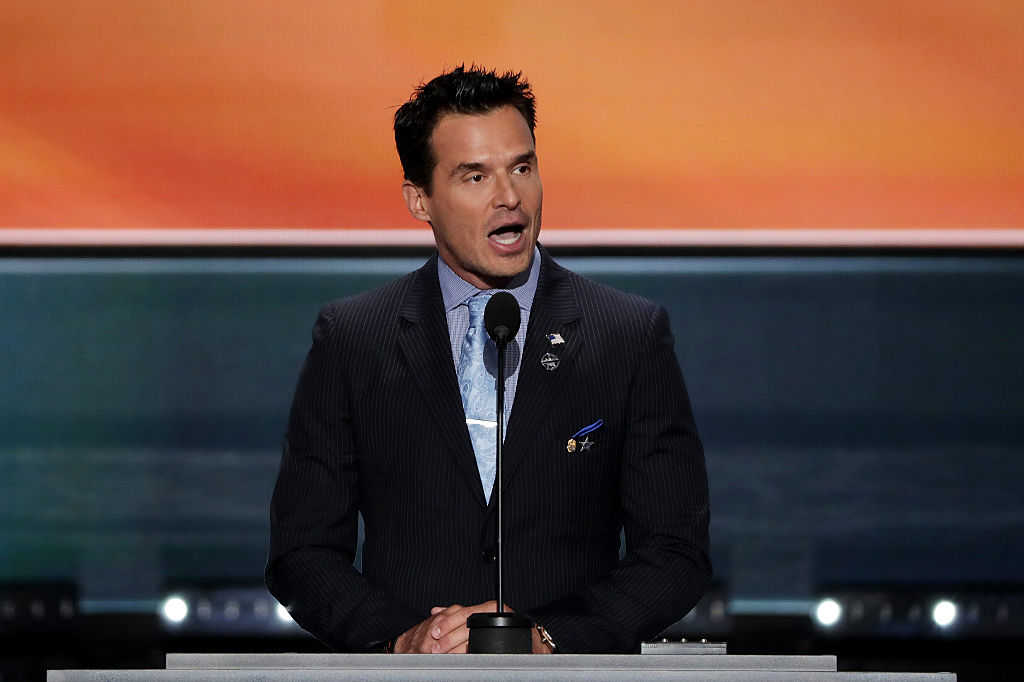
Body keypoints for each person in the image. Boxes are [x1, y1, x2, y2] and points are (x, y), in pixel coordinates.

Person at [266, 65, 710, 654]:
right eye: (474, 176)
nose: (509, 197)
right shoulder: (353, 339)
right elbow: (303, 552)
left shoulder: (627, 335)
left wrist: (551, 638)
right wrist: (401, 640)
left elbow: (675, 552)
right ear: (419, 199)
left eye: (522, 167)